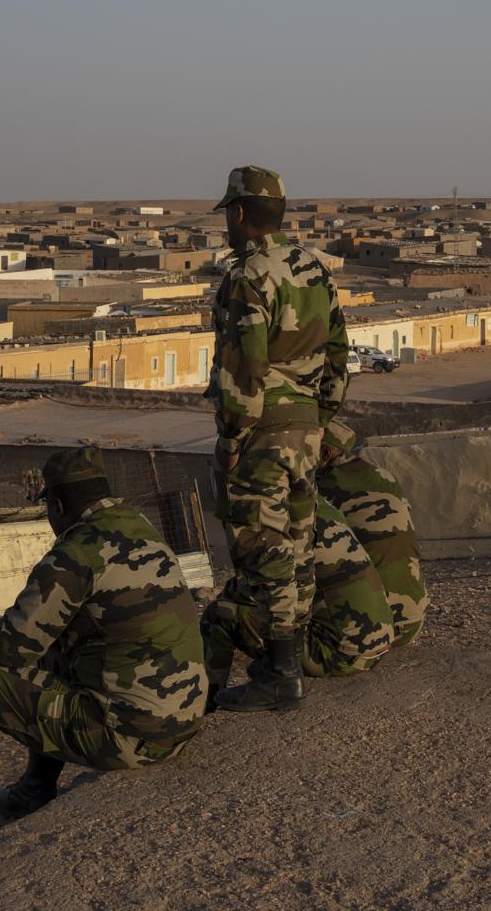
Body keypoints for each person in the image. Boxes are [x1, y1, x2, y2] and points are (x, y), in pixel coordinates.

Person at [0, 446, 207, 875]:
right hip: (178, 720)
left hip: (131, 738)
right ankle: (35, 787)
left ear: (56, 505)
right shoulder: (139, 527)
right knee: (54, 652)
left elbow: (12, 646)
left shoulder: (77, 552)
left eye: (49, 510)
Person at [205, 164, 349, 711]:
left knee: (263, 553)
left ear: (240, 214)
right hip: (306, 432)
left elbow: (244, 369)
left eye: (229, 215)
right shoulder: (315, 270)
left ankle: (281, 674)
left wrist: (233, 438)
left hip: (262, 434)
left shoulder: (250, 276)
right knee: (298, 545)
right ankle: (289, 662)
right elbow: (339, 355)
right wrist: (322, 415)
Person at [204, 495, 394, 698]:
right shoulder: (316, 503)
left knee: (219, 614)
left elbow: (259, 591)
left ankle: (207, 700)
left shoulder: (271, 519)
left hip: (339, 655)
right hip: (378, 643)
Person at [316, 419, 428, 647]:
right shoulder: (383, 475)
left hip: (375, 629)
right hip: (413, 622)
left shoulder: (325, 488)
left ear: (325, 451)